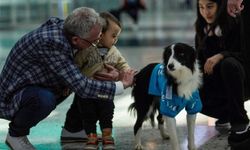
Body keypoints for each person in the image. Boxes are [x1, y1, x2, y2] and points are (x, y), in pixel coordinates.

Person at [0, 7, 136, 150]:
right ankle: (16, 135)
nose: (96, 45)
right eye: (94, 42)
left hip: (40, 84)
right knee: (48, 97)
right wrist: (122, 84)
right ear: (76, 39)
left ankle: (74, 129)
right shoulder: (52, 43)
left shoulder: (71, 29)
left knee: (83, 77)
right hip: (13, 98)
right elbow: (82, 86)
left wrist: (114, 74)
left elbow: (81, 75)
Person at [61, 11, 132, 150]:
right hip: (86, 94)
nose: (115, 40)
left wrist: (127, 74)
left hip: (106, 92)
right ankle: (91, 138)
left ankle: (107, 137)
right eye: (113, 36)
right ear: (100, 34)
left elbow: (122, 65)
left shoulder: (114, 52)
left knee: (107, 114)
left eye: (117, 37)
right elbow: (75, 66)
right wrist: (67, 85)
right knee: (88, 116)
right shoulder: (86, 50)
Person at [195, 0, 250, 148]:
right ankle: (226, 113)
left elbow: (245, 56)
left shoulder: (237, 23)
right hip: (218, 84)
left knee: (228, 64)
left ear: (220, 6)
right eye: (201, 7)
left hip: (242, 80)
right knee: (192, 92)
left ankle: (240, 122)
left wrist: (222, 55)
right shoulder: (202, 28)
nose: (205, 12)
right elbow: (199, 63)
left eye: (210, 6)